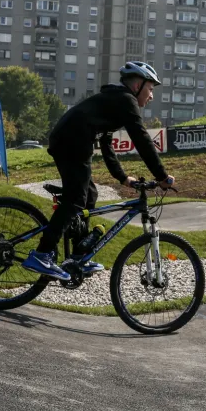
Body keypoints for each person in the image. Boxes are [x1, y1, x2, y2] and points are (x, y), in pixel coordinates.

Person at [21, 61, 176, 282]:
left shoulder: (114, 103)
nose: (151, 96)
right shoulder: (126, 100)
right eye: (151, 89)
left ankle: (78, 256)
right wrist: (161, 176)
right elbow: (141, 140)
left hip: (70, 140)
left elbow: (107, 145)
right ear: (138, 85)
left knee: (89, 195)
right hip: (71, 141)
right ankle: (42, 254)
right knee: (76, 198)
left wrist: (123, 178)